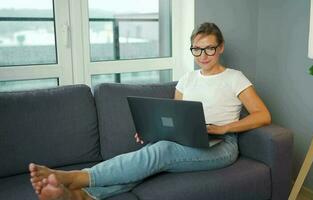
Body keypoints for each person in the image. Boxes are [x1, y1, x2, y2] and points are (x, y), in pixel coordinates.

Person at [29, 22, 271, 200]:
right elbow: (176, 116)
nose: (203, 55)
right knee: (152, 155)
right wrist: (154, 130)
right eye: (197, 49)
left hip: (222, 145)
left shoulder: (234, 78)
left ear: (220, 48)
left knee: (161, 152)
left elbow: (263, 115)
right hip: (191, 139)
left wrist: (224, 127)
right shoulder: (187, 79)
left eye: (209, 49)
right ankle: (82, 197)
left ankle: (77, 178)